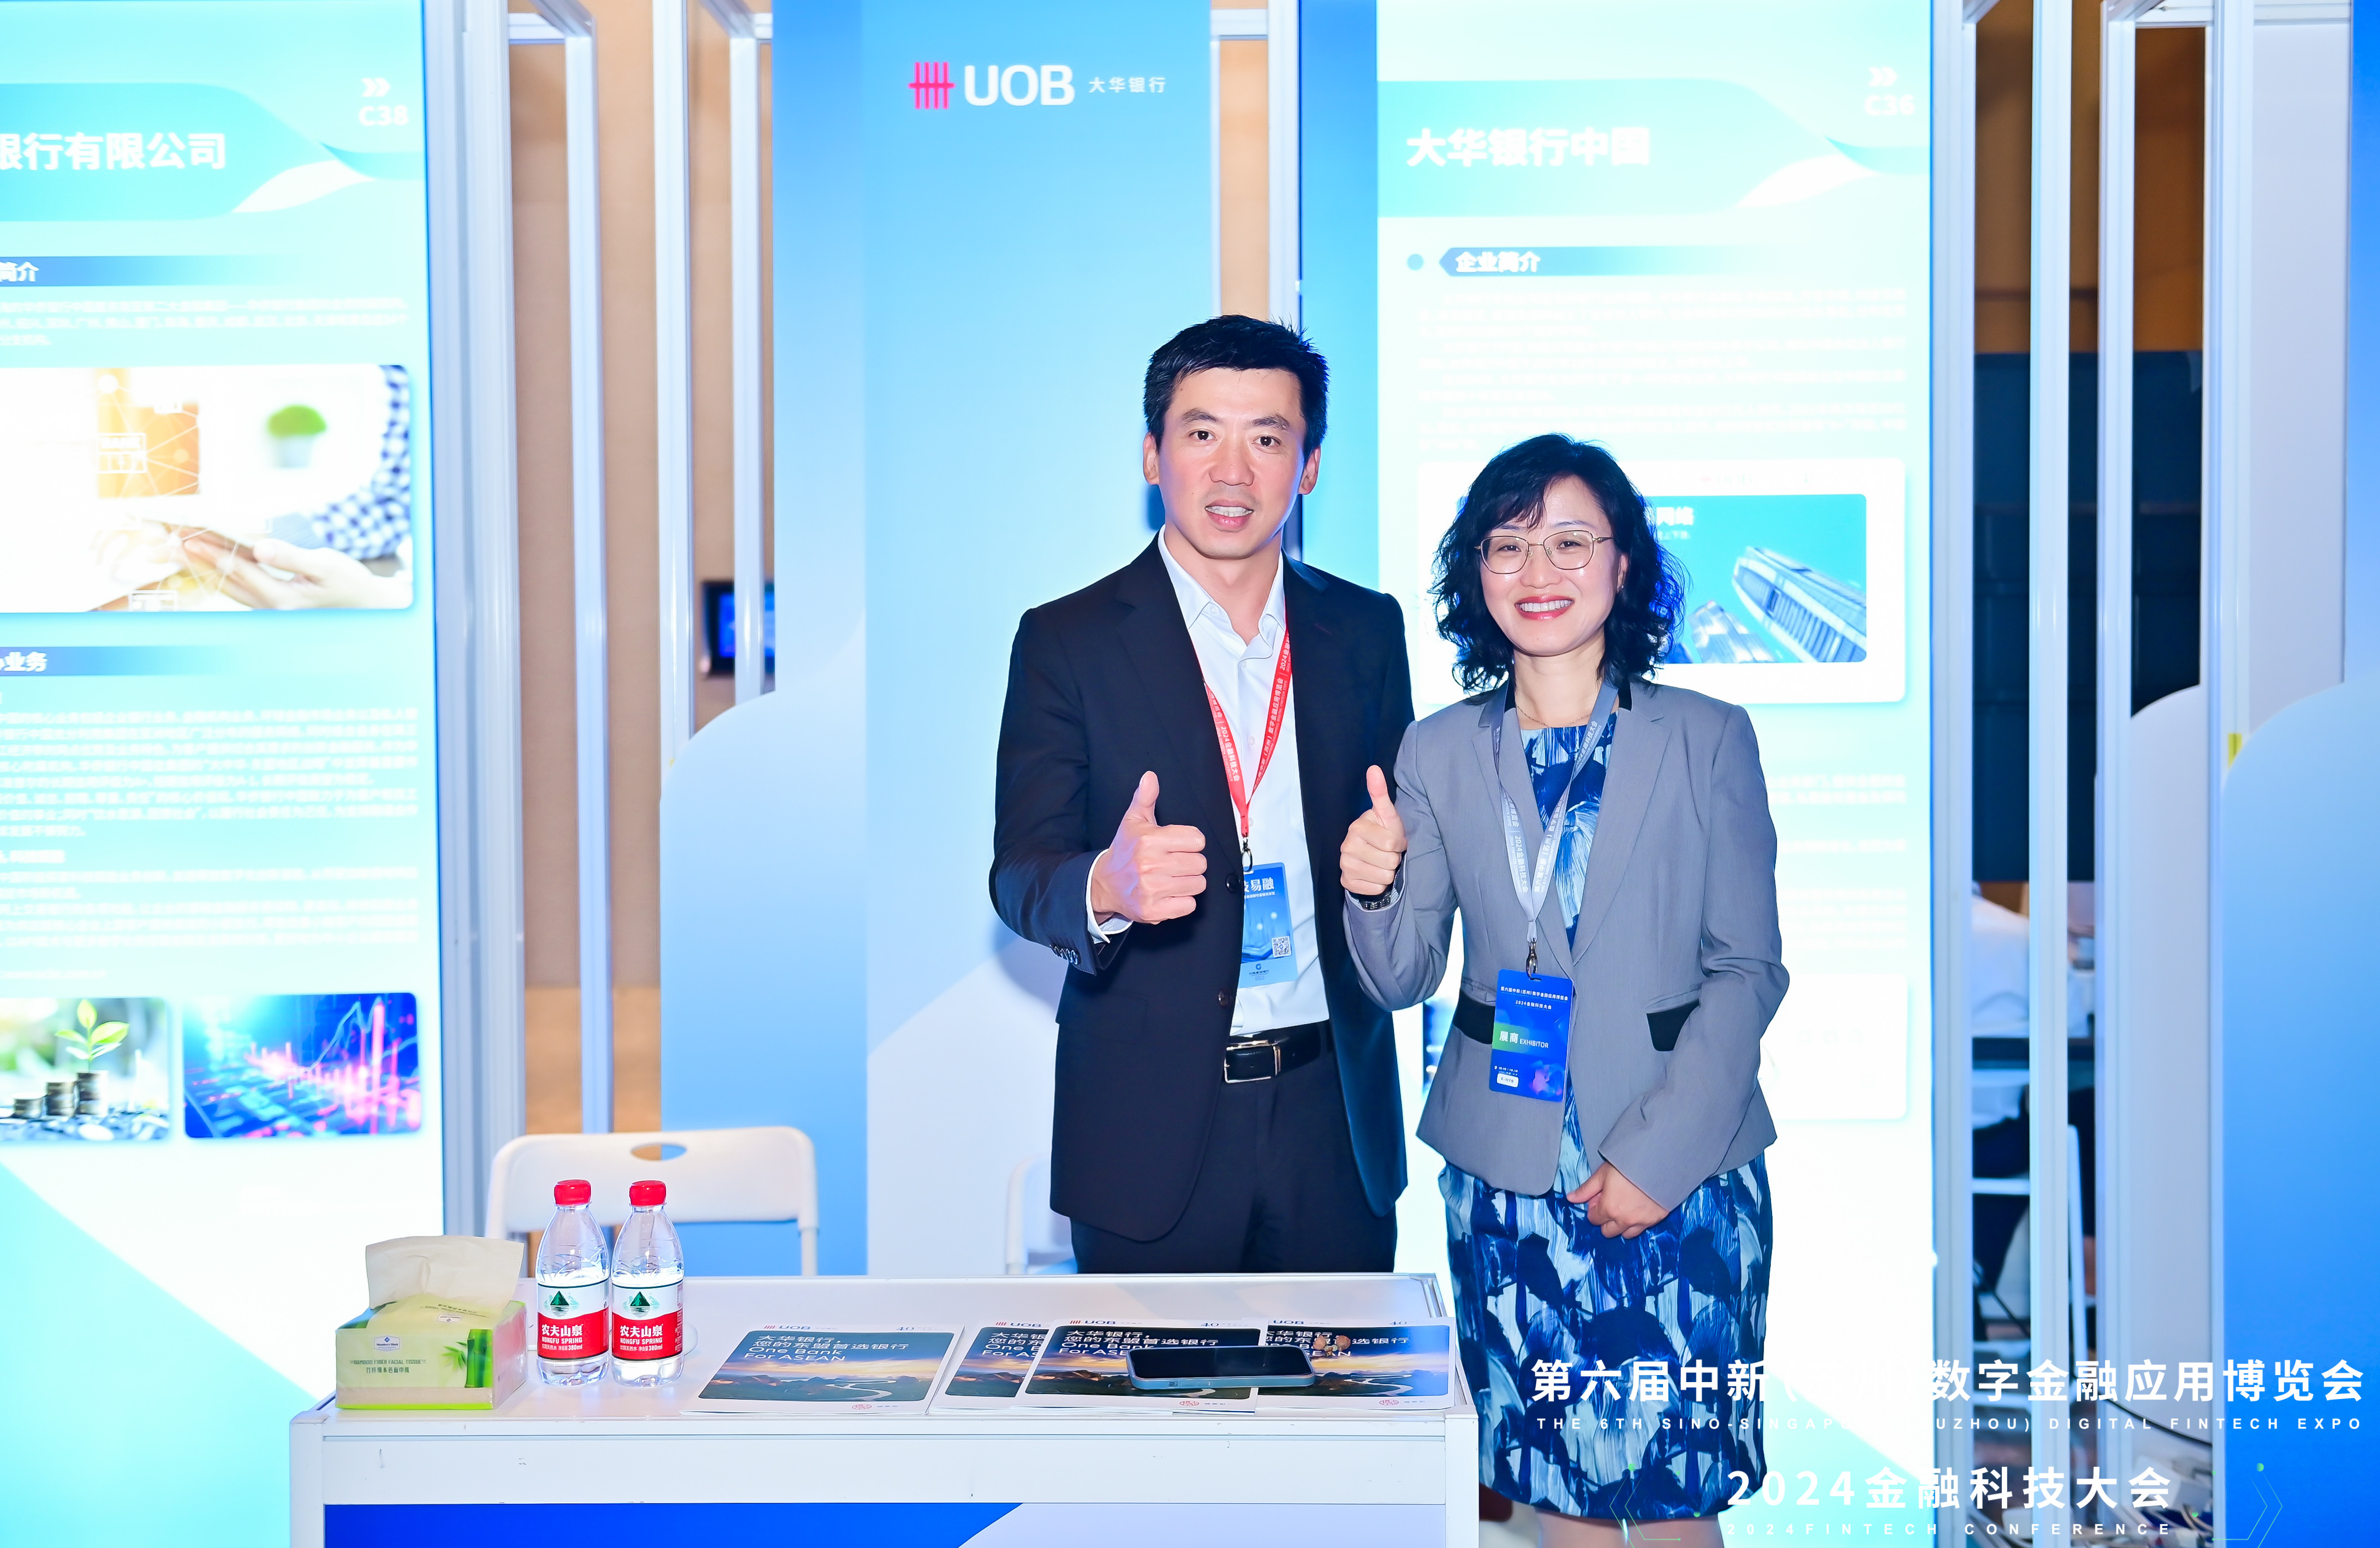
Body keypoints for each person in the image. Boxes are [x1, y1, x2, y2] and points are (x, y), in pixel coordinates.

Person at [1338, 435, 1786, 1544]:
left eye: (1571, 543)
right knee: (1554, 1491)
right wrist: (1371, 886)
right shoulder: (1437, 751)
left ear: (1623, 564)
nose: (1538, 571)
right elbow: (1402, 975)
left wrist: (1656, 1159)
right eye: (1508, 545)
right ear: (1476, 573)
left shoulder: (1706, 738)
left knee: (1676, 1495)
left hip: (1682, 1172)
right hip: (1509, 1177)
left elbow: (1747, 967)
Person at [990, 316, 1414, 1273]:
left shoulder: (1365, 630)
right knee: (1151, 1378)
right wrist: (1105, 886)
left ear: (1308, 466)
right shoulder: (1067, 639)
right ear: (1153, 455)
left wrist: (1389, 875)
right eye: (1201, 433)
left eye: (1267, 437)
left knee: (1337, 1375)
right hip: (1146, 1123)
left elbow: (1398, 840)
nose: (1233, 470)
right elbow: (1018, 871)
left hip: (1332, 1119)